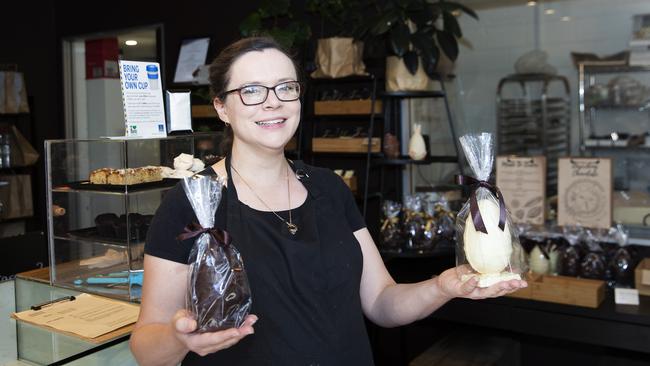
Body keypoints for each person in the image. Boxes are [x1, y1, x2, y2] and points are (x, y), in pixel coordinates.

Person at [129, 37, 527, 366]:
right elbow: (146, 346)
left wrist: (445, 285)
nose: (273, 102)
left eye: (286, 87)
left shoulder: (329, 189)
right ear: (221, 107)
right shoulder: (192, 204)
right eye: (250, 91)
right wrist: (182, 339)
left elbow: (382, 302)